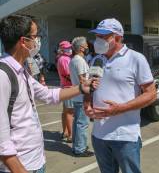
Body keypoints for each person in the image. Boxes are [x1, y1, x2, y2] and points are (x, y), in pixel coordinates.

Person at [0, 14, 98, 173]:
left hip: (35, 161)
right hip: (19, 167)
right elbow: (2, 142)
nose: (38, 41)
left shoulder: (21, 70)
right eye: (35, 36)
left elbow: (48, 95)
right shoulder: (3, 75)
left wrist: (81, 88)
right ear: (23, 41)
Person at [85, 18, 157, 173]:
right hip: (99, 136)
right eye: (97, 36)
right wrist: (87, 103)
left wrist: (121, 108)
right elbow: (91, 88)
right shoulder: (97, 59)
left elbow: (151, 94)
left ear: (117, 37)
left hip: (125, 137)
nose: (98, 40)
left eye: (103, 36)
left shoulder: (136, 58)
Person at [69, 36, 94, 157]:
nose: (88, 47)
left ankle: (77, 145)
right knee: (82, 123)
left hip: (77, 95)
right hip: (81, 96)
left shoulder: (75, 59)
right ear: (81, 48)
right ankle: (80, 148)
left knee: (78, 122)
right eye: (86, 45)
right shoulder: (79, 60)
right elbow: (83, 80)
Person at [57, 41, 74, 142]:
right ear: (62, 49)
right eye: (67, 48)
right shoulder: (64, 59)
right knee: (69, 112)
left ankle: (66, 132)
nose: (69, 49)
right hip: (68, 87)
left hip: (65, 86)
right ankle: (70, 135)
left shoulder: (63, 58)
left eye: (70, 47)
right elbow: (67, 74)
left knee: (65, 111)